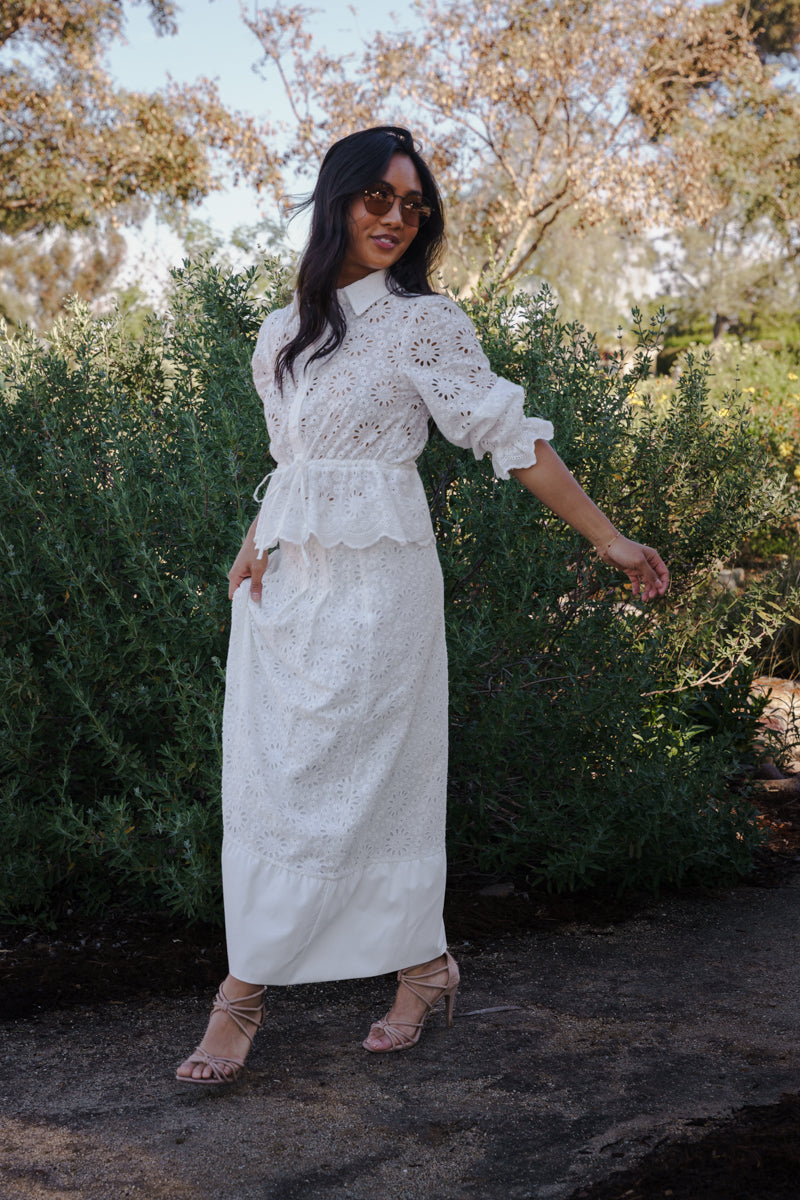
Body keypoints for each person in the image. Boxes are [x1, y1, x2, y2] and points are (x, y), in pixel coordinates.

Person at [176, 125, 669, 1085]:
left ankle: (242, 999)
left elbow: (506, 436)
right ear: (338, 200)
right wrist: (250, 547)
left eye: (414, 206)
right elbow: (294, 462)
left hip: (378, 591)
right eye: (378, 200)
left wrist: (607, 536)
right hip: (289, 588)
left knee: (369, 785)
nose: (397, 219)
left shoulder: (425, 323)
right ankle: (427, 968)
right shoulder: (281, 330)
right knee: (277, 788)